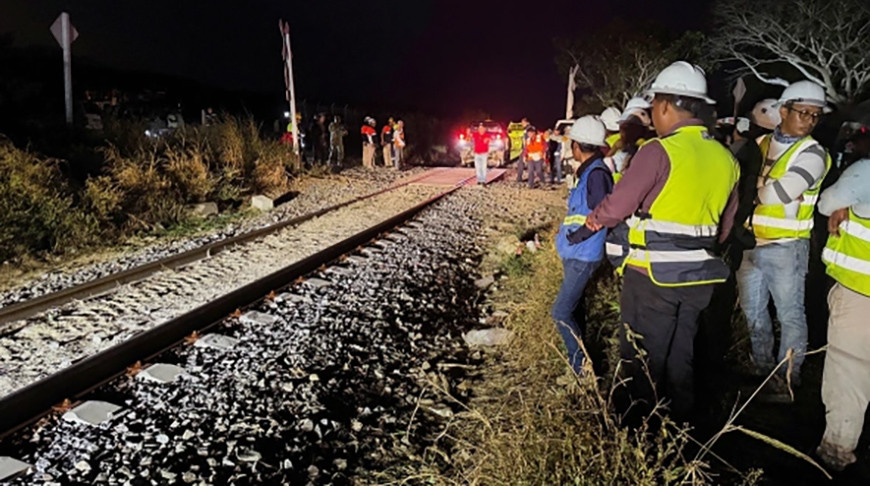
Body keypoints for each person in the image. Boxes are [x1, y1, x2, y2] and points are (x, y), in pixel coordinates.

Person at [585, 61, 739, 424]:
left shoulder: (658, 151)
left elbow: (618, 205)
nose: (653, 113)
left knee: (642, 356)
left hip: (652, 277)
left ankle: (638, 427)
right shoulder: (726, 158)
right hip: (700, 279)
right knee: (681, 353)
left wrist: (595, 219)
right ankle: (679, 424)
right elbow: (725, 227)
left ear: (666, 105)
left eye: (654, 105)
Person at [736, 80, 832, 393]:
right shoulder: (761, 143)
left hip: (787, 247)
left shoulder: (814, 153)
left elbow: (779, 193)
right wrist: (762, 191)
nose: (810, 120)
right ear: (784, 111)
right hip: (751, 243)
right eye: (804, 112)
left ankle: (786, 380)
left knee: (790, 315)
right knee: (753, 312)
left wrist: (753, 191)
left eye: (816, 115)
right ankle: (762, 368)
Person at [815, 125, 870, 472]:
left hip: (861, 293)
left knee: (849, 371)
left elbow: (827, 204)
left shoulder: (865, 172)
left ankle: (837, 449)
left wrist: (847, 205)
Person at [551, 116, 613, 374]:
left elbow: (602, 213)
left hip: (583, 254)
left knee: (560, 312)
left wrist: (576, 236)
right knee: (575, 309)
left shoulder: (596, 174)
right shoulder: (590, 171)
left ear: (577, 146)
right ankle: (583, 360)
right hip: (577, 252)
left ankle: (581, 368)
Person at [605, 97, 653, 183]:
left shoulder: (632, 153)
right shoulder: (652, 146)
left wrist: (614, 149)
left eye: (624, 127)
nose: (621, 131)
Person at [516, 117, 531, 182]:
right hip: (526, 148)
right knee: (524, 163)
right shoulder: (527, 129)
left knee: (522, 163)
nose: (522, 124)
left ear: (527, 122)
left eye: (523, 122)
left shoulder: (528, 129)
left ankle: (519, 178)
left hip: (527, 148)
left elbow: (527, 140)